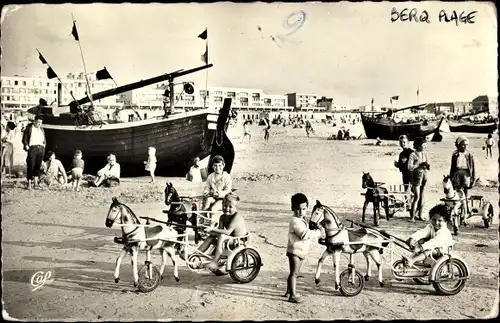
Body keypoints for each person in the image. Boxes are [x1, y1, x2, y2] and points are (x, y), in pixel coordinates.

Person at [285, 193, 323, 304]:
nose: (301, 212)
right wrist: (319, 232)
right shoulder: (295, 221)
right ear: (292, 208)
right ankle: (293, 295)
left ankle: (289, 291)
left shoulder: (303, 218)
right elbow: (304, 235)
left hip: (301, 251)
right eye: (298, 209)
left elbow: (310, 226)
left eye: (304, 209)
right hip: (294, 251)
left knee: (294, 272)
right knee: (294, 273)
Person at [197, 193, 247, 274]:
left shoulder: (236, 217)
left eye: (230, 207)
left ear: (236, 208)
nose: (226, 208)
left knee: (222, 236)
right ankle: (195, 255)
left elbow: (227, 232)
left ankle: (215, 262)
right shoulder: (222, 217)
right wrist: (209, 230)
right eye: (224, 206)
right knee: (211, 237)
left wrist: (213, 229)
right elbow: (219, 230)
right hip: (229, 239)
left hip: (238, 241)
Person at [408, 137, 430, 222]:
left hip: (424, 176)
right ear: (419, 145)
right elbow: (409, 167)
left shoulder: (424, 154)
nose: (424, 146)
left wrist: (426, 166)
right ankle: (412, 217)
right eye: (423, 145)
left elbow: (427, 166)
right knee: (417, 196)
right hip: (416, 177)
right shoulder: (413, 155)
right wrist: (418, 164)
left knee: (422, 197)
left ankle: (420, 215)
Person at [22, 115, 46, 189]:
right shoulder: (29, 128)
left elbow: (44, 139)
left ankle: (36, 183)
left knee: (38, 166)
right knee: (31, 166)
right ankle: (29, 184)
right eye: (38, 122)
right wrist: (26, 146)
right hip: (32, 148)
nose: (39, 124)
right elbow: (24, 139)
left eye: (40, 122)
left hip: (40, 149)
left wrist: (44, 145)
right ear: (34, 121)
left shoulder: (41, 129)